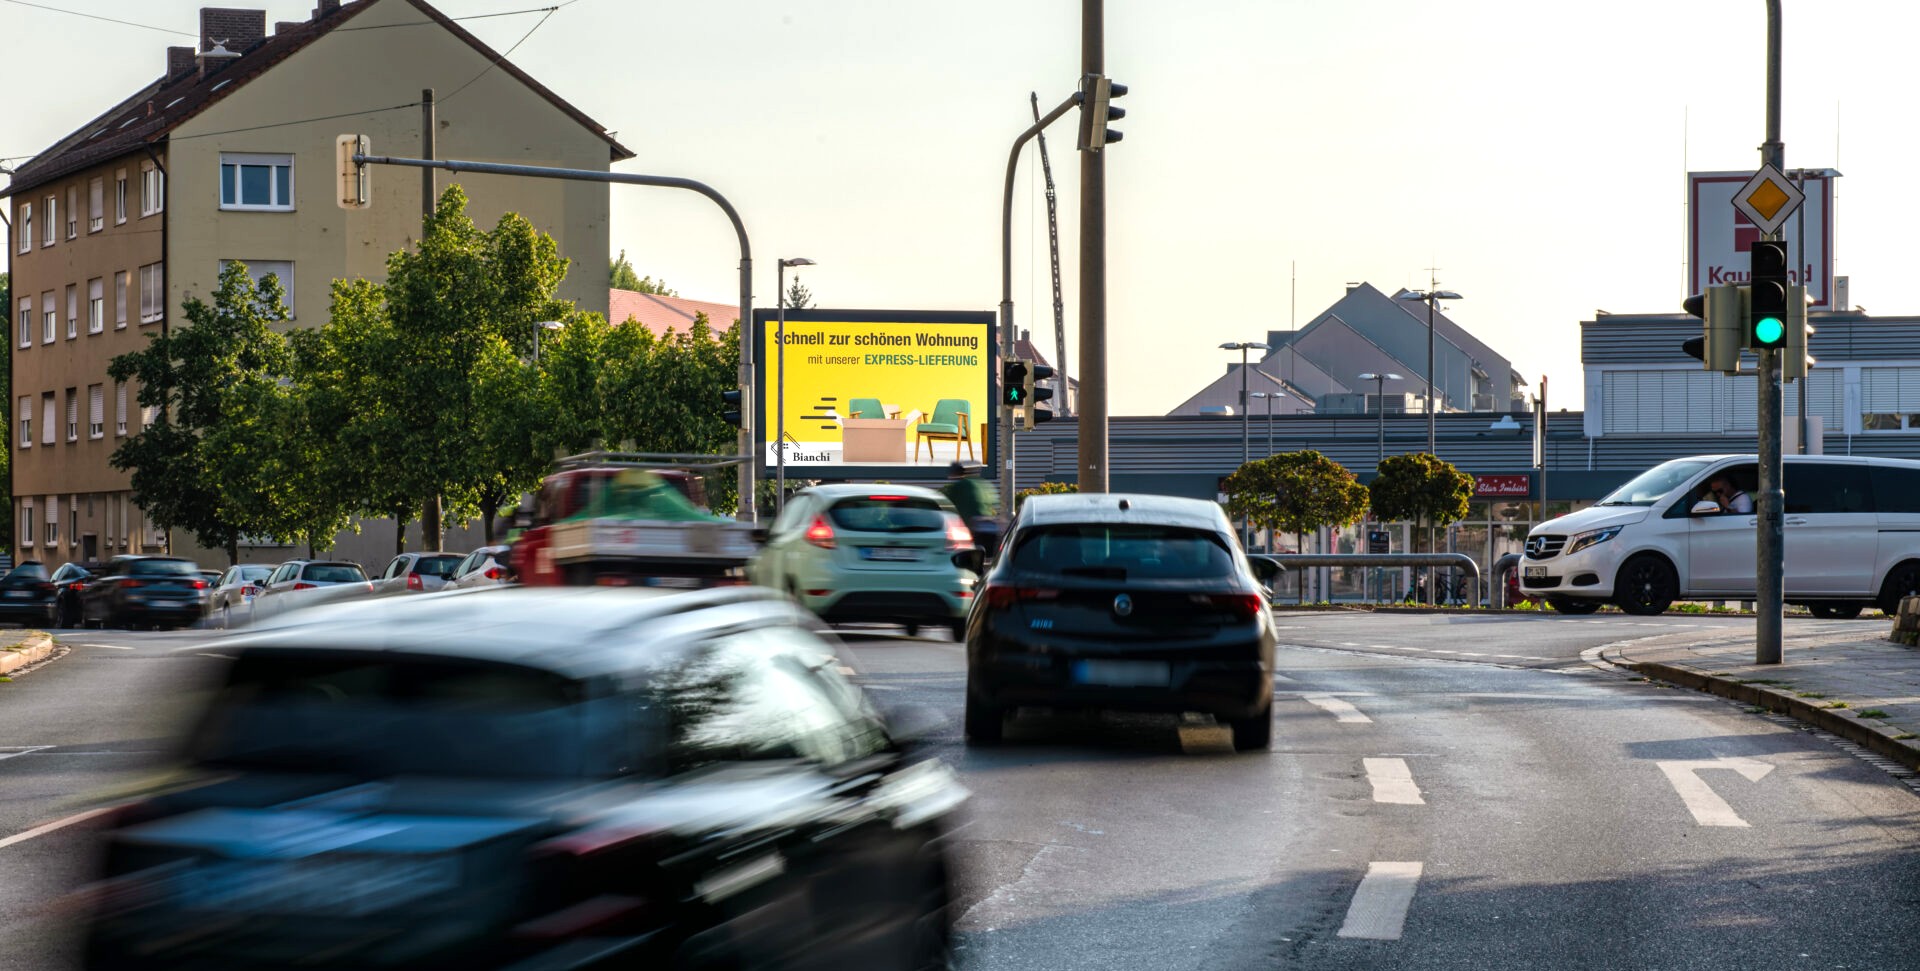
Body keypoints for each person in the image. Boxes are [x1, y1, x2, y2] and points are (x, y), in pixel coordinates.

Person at [942, 462, 1003, 556]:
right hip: (991, 526)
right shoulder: (983, 483)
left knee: (970, 556)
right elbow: (994, 503)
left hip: (975, 527)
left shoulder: (958, 486)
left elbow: (946, 505)